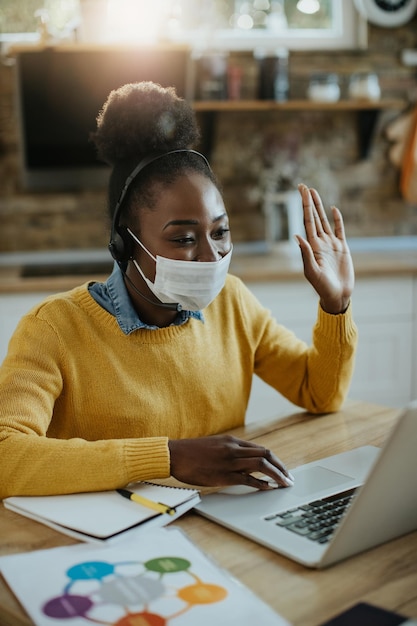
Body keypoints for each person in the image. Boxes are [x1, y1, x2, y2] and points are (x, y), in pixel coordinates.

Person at [0, 82, 357, 499]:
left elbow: (321, 394)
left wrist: (336, 304)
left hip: (217, 522)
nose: (211, 256)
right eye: (184, 239)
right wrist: (168, 457)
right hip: (111, 548)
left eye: (220, 232)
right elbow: (7, 455)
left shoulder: (233, 303)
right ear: (125, 242)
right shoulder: (55, 329)